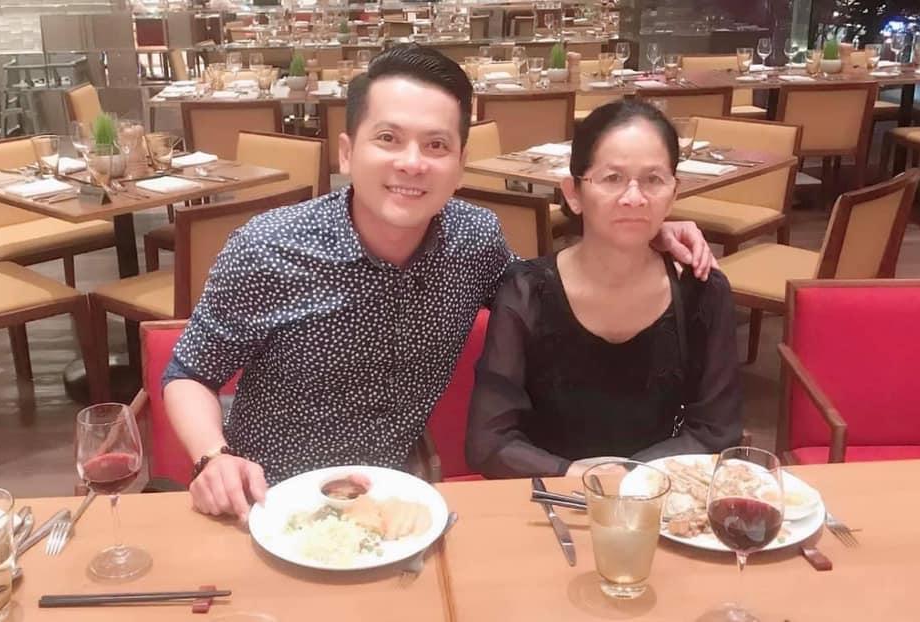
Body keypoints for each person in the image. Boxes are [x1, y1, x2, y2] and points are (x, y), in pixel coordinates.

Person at [162, 45, 715, 521]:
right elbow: (188, 373)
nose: (412, 163)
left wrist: (639, 234)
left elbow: (550, 294)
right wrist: (213, 457)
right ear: (347, 152)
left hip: (399, 498)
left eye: (436, 145)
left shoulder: (474, 242)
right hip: (271, 496)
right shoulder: (268, 248)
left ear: (460, 163)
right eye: (388, 138)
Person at [466, 99, 742, 479]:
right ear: (573, 193)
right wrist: (576, 476)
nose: (634, 197)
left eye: (653, 180)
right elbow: (489, 441)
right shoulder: (527, 292)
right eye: (612, 178)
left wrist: (628, 476)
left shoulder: (701, 289)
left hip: (662, 494)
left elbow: (717, 431)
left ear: (674, 194)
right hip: (554, 493)